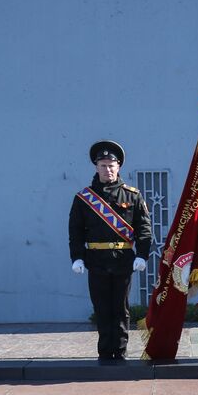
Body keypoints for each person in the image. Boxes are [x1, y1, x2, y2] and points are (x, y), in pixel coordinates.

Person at [69, 140, 153, 363]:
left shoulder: (132, 195)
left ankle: (121, 351)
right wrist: (77, 257)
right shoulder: (83, 198)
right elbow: (75, 231)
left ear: (119, 167)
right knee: (102, 307)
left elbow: (144, 228)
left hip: (122, 259)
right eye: (103, 165)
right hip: (95, 259)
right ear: (96, 167)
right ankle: (105, 351)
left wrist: (142, 254)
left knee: (120, 308)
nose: (108, 169)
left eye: (111, 165)